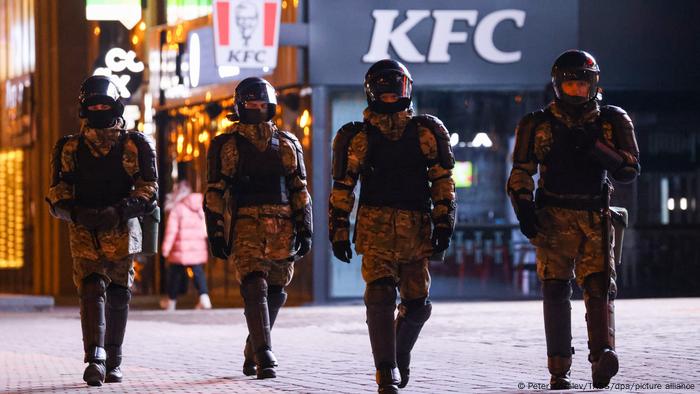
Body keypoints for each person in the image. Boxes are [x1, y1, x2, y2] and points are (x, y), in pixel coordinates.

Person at [506, 50, 640, 390]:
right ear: (558, 86)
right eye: (571, 85)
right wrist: (524, 209)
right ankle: (558, 368)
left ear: (593, 85)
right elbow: (521, 172)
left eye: (583, 84)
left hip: (594, 217)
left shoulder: (611, 120)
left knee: (599, 287)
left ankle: (602, 356)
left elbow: (629, 170)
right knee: (554, 290)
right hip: (552, 216)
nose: (578, 91)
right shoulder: (536, 124)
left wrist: (597, 148)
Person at [328, 59, 456, 394]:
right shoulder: (357, 137)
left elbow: (443, 181)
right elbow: (343, 186)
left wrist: (445, 222)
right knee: (380, 295)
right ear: (372, 93)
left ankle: (398, 355)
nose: (389, 98)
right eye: (383, 93)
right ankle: (385, 370)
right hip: (375, 230)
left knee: (418, 305)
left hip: (416, 230)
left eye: (394, 92)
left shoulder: (427, 132)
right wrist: (338, 228)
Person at [46, 75, 158, 386]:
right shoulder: (69, 147)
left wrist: (122, 210)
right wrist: (75, 211)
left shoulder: (135, 144)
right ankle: (95, 357)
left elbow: (149, 188)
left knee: (119, 293)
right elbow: (56, 191)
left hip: (121, 226)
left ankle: (114, 359)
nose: (98, 109)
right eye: (92, 105)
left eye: (103, 105)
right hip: (85, 228)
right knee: (91, 288)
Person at [203, 77, 312, 379]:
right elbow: (215, 191)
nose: (258, 109)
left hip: (283, 225)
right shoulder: (225, 145)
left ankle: (253, 346)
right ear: (240, 107)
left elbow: (299, 188)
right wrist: (215, 228)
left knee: (276, 291)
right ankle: (265, 355)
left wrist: (306, 225)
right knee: (254, 285)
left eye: (263, 104)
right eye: (251, 104)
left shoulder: (289, 143)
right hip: (246, 225)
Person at [160, 170, 211, 311]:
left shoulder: (178, 208)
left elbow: (172, 230)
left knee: (175, 274)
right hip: (197, 246)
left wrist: (166, 248)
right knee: (198, 272)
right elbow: (205, 227)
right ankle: (204, 297)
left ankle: (171, 301)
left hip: (180, 248)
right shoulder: (199, 205)